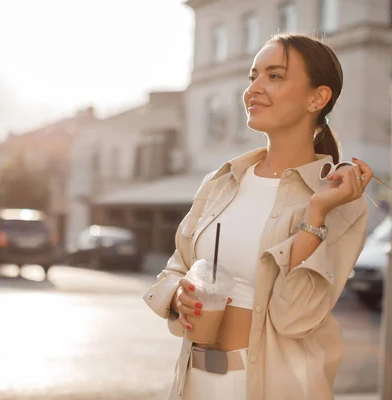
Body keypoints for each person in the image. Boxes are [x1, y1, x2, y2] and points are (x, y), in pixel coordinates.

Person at [144, 33, 373, 400]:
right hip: (195, 384)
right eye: (253, 77)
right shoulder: (220, 183)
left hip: (275, 386)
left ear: (317, 97)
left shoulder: (339, 202)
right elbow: (174, 269)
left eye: (275, 76)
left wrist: (315, 214)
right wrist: (177, 297)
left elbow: (295, 315)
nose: (254, 89)